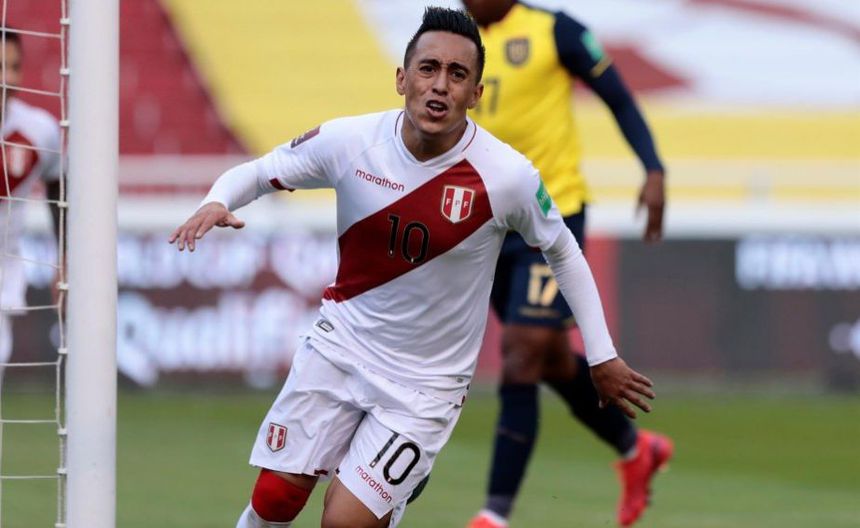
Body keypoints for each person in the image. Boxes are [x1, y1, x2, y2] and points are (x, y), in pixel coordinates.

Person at [170, 7, 656, 528]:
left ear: (476, 93)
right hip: (340, 348)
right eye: (428, 69)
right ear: (402, 78)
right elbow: (261, 171)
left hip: (427, 386)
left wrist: (601, 355)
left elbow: (563, 251)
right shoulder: (351, 143)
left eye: (457, 74)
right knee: (275, 499)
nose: (440, 85)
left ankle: (412, 486)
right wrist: (216, 200)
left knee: (343, 524)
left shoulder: (506, 176)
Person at [459, 1, 673, 527]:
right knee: (548, 357)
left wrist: (652, 168)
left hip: (551, 218)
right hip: (486, 223)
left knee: (521, 350)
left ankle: (494, 514)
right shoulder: (454, 42)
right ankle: (636, 449)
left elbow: (618, 97)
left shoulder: (555, 31)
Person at [0, 30, 63, 387]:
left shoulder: (39, 131)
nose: (7, 78)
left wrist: (64, 257)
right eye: (0, 67)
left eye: (14, 67)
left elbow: (59, 184)